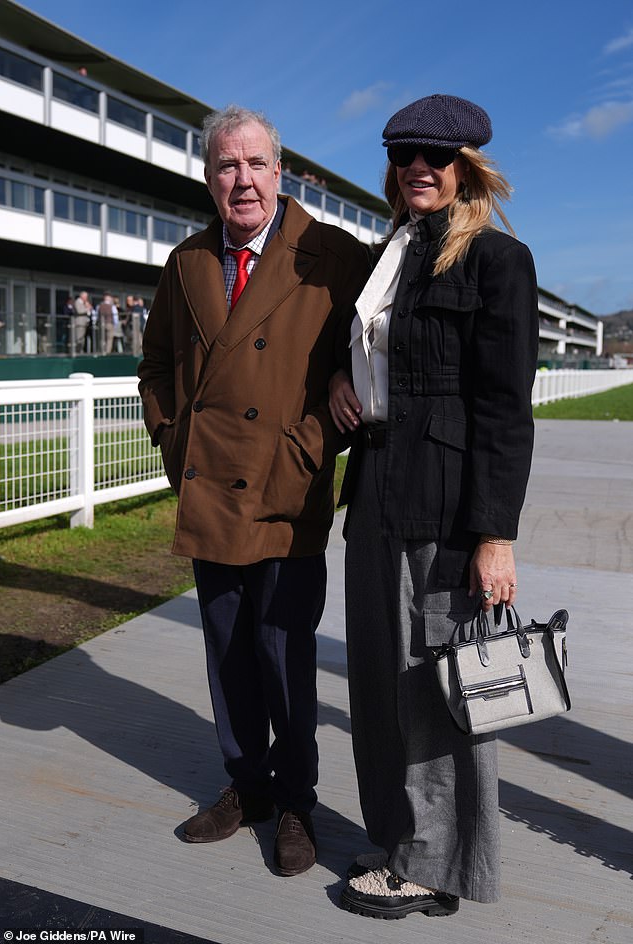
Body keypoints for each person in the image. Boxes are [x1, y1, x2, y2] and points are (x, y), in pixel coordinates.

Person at [138, 105, 368, 876]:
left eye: (255, 164)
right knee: (228, 651)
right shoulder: (187, 261)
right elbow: (156, 363)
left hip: (286, 488)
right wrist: (174, 441)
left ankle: (296, 799)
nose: (243, 180)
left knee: (282, 655)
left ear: (282, 171)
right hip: (210, 485)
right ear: (208, 179)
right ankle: (248, 786)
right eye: (226, 166)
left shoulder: (332, 255)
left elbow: (369, 356)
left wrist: (314, 438)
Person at [328, 94, 539, 918]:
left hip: (447, 505)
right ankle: (399, 839)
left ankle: (436, 864)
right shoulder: (394, 251)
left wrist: (496, 535)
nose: (419, 167)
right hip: (378, 488)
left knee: (436, 685)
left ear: (466, 170)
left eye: (436, 158)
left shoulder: (493, 261)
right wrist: (340, 381)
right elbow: (365, 355)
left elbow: (504, 411)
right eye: (405, 156)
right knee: (379, 681)